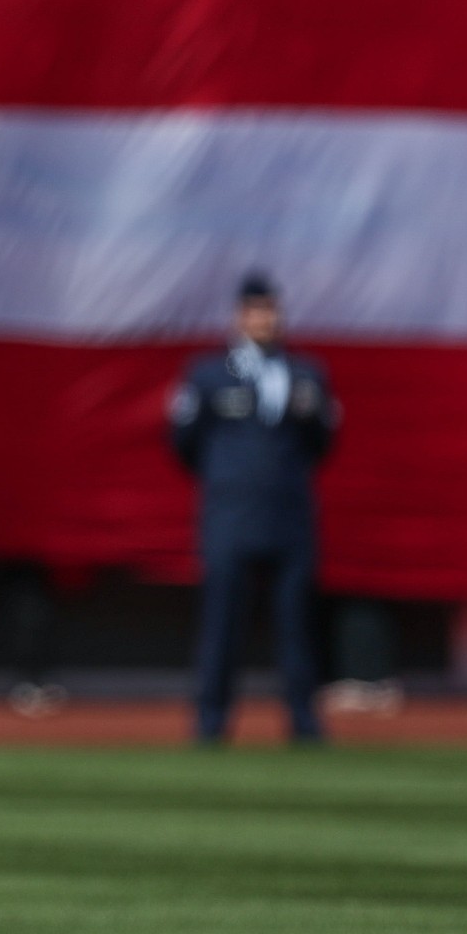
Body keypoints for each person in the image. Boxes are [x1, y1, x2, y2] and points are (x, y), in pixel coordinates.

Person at [168, 272, 339, 745]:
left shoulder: (305, 374)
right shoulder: (208, 375)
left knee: (296, 625)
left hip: (289, 514)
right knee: (223, 623)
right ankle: (211, 720)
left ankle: (304, 721)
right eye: (254, 310)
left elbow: (324, 440)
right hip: (230, 515)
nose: (263, 319)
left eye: (270, 310)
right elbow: (184, 442)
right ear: (239, 316)